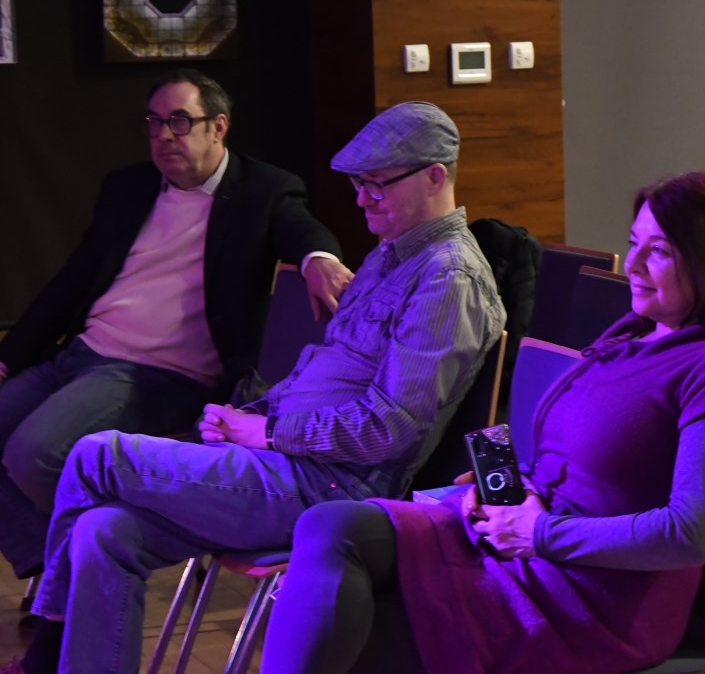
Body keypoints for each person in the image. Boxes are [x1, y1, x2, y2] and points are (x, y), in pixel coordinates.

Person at [18, 101, 506, 674]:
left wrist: (268, 432)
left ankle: (43, 655)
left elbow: (389, 427)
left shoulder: (448, 277)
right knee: (103, 530)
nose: (362, 200)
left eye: (377, 185)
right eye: (358, 185)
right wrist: (244, 417)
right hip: (284, 465)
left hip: (331, 488)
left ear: (435, 176)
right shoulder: (391, 255)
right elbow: (320, 374)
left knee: (95, 454)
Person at [259, 172, 705, 674]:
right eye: (634, 243)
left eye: (661, 251)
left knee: (359, 630)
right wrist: (513, 491)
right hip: (524, 541)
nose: (636, 264)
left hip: (590, 596)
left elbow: (690, 535)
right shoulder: (638, 333)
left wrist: (539, 532)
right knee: (330, 525)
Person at [0, 69, 352, 583]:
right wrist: (8, 356)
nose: (164, 135)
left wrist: (320, 257)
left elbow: (302, 230)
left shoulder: (263, 190)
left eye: (180, 121)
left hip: (158, 373)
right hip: (83, 351)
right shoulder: (128, 187)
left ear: (218, 127)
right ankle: (55, 565)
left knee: (34, 455)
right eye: (155, 122)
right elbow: (71, 282)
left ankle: (86, 570)